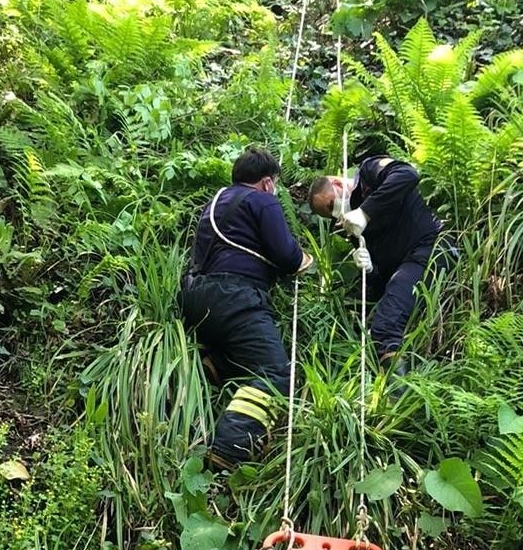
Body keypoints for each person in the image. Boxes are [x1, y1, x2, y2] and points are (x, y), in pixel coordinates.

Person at [180, 146, 312, 469]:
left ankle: (219, 362)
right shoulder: (263, 200)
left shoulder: (214, 202)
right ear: (268, 183)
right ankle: (230, 447)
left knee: (246, 352)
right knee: (277, 373)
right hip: (236, 297)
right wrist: (305, 261)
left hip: (195, 297)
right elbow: (287, 257)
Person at [307, 156, 443, 367]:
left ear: (337, 183)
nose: (337, 214)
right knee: (380, 320)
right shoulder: (351, 228)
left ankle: (397, 394)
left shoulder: (368, 174)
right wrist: (368, 269)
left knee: (386, 326)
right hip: (403, 270)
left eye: (332, 204)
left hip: (429, 247)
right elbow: (380, 282)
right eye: (331, 215)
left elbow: (408, 174)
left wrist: (365, 212)